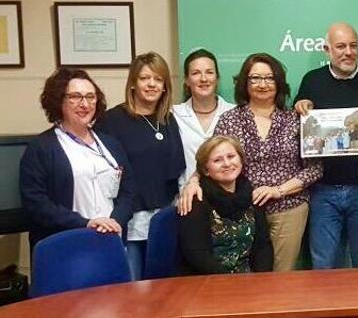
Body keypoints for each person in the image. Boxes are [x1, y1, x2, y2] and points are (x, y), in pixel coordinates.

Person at [195, 53, 324, 272]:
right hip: (242, 212)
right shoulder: (230, 120)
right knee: (247, 278)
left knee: (282, 279)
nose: (262, 84)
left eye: (269, 78)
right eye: (255, 78)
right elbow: (211, 159)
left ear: (279, 82)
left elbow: (315, 168)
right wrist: (192, 182)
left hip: (289, 210)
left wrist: (278, 190)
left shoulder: (297, 119)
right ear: (245, 83)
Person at [293, 22, 358, 269]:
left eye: (353, 46)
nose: (348, 52)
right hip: (323, 189)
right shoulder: (312, 81)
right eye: (340, 46)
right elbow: (298, 127)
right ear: (327, 50)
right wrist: (300, 107)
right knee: (323, 262)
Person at [19, 68, 136, 249]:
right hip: (67, 243)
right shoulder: (41, 148)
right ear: (59, 101)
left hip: (112, 239)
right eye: (75, 96)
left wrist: (114, 221)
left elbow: (128, 190)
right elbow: (36, 203)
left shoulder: (110, 144)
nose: (85, 104)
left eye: (90, 97)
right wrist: (86, 223)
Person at [95, 52, 185, 279]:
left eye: (158, 79)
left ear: (165, 86)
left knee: (163, 289)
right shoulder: (111, 121)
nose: (152, 84)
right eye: (145, 78)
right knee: (131, 290)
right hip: (130, 222)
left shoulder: (167, 119)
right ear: (133, 83)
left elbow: (176, 168)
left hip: (163, 220)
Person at [178, 136, 273, 275]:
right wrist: (229, 282)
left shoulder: (252, 196)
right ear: (205, 170)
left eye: (231, 156)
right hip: (209, 281)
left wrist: (259, 280)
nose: (227, 163)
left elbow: (263, 246)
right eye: (217, 160)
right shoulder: (196, 200)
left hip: (250, 281)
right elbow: (197, 255)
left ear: (241, 160)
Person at [172, 49, 236, 187]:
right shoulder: (174, 115)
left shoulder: (234, 113)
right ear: (187, 81)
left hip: (227, 198)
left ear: (217, 78)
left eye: (209, 72)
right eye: (196, 73)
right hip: (186, 199)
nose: (203, 79)